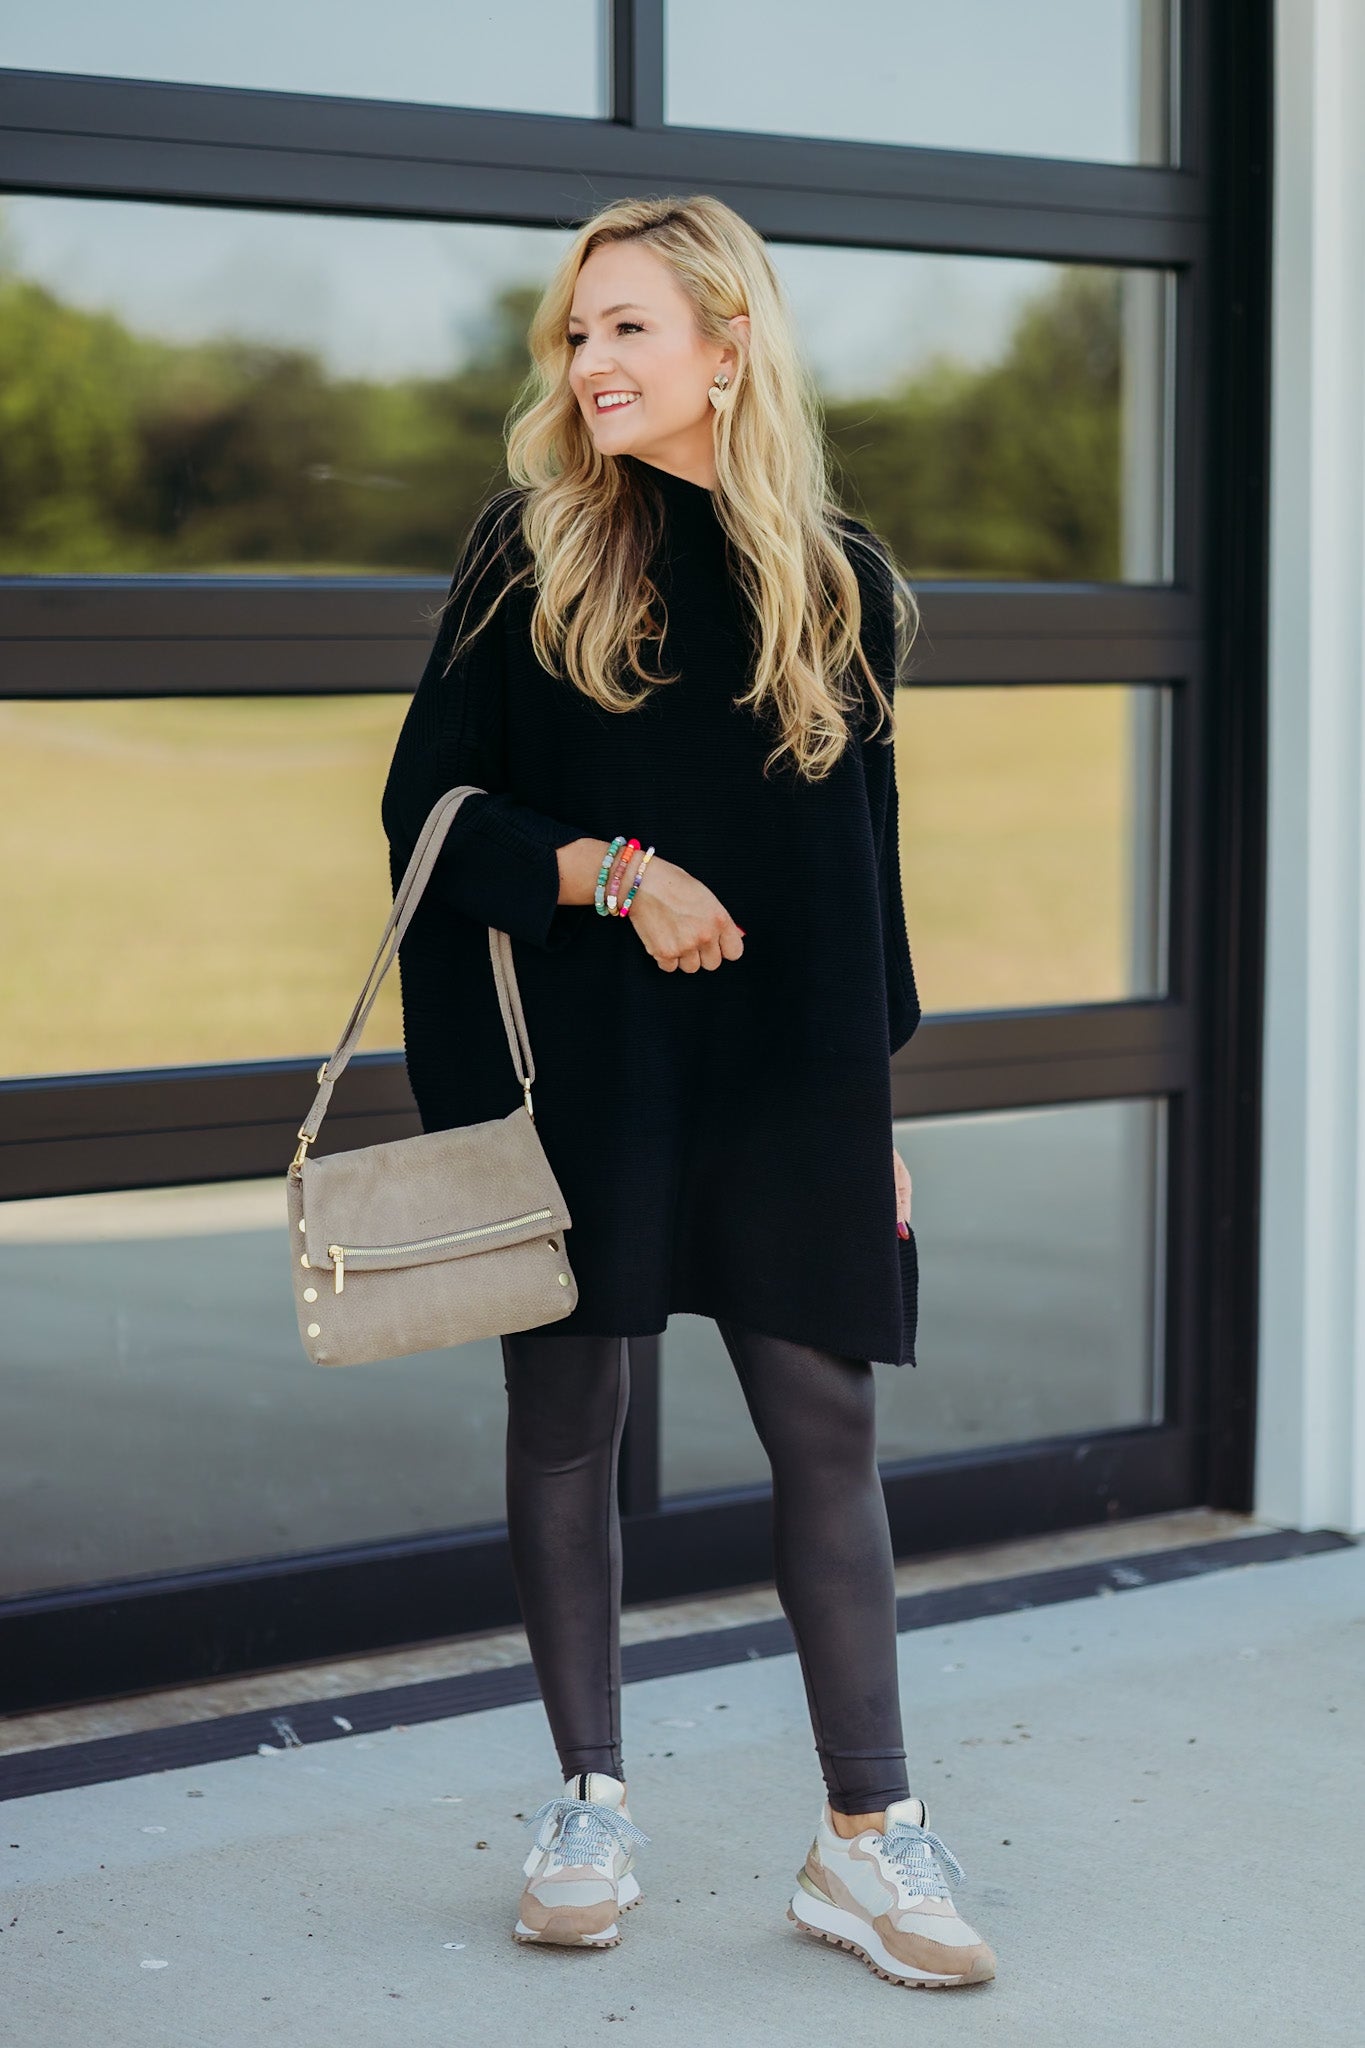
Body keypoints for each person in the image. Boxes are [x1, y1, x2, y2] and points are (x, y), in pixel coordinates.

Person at [380, 194, 996, 1990]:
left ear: (729, 344)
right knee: (568, 1430)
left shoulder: (843, 580)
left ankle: (865, 1844)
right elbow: (428, 815)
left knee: (828, 1438)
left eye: (627, 329)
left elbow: (859, 877)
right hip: (591, 1073)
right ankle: (589, 1798)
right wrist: (609, 873)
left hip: (791, 1082)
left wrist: (872, 1125)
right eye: (574, 336)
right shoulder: (532, 554)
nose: (587, 368)